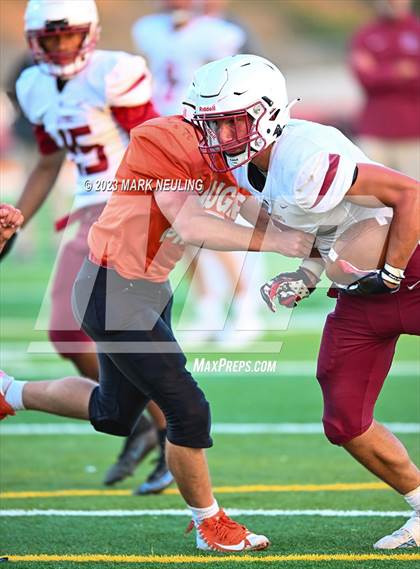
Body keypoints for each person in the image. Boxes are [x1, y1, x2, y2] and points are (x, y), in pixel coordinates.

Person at [0, 105, 313, 551]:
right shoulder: (163, 139)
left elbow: (248, 207)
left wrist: (313, 238)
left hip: (148, 287)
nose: (235, 132)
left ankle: (8, 392)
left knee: (113, 413)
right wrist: (278, 241)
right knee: (187, 409)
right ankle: (209, 524)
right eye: (228, 120)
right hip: (111, 291)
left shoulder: (226, 152)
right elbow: (191, 222)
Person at [188, 54, 419, 550]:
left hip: (410, 271)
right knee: (344, 418)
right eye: (213, 125)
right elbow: (331, 228)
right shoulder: (255, 169)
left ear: (266, 113)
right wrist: (306, 274)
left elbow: (409, 194)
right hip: (363, 292)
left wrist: (394, 273)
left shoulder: (308, 152)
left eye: (231, 123)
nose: (219, 137)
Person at [0, 0, 166, 492]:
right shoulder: (32, 85)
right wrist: (16, 220)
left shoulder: (115, 72)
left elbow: (157, 142)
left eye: (67, 36)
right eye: (49, 39)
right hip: (87, 207)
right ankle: (138, 419)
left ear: (88, 33)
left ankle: (167, 429)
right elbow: (49, 164)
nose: (59, 47)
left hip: (131, 203)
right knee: (68, 336)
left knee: (115, 332)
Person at [132, 0, 263, 349]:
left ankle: (245, 307)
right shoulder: (151, 29)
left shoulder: (219, 33)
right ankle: (208, 305)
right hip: (162, 134)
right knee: (176, 231)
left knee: (206, 225)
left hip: (198, 136)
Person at [349, 0, 420, 179]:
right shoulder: (366, 34)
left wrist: (380, 70)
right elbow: (364, 78)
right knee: (367, 198)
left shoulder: (417, 31)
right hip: (375, 132)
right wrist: (398, 71)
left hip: (413, 134)